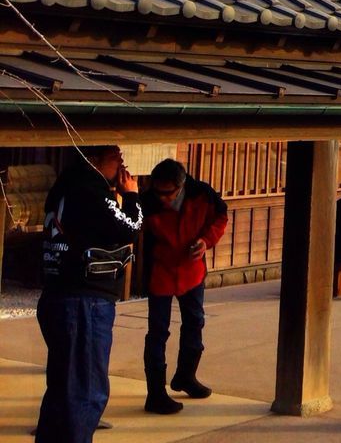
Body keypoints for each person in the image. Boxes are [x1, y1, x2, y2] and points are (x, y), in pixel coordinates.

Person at [36, 145, 143, 443]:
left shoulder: (63, 186)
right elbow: (130, 228)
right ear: (93, 160)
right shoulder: (91, 189)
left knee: (62, 389)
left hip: (58, 294)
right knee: (85, 391)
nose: (121, 161)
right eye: (114, 156)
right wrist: (132, 196)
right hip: (84, 300)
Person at [140, 158, 227, 414]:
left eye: (168, 193)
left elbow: (221, 216)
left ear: (181, 185)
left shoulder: (202, 193)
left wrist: (206, 241)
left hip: (192, 270)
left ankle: (185, 376)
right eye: (158, 192)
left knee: (195, 322)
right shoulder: (148, 201)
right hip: (160, 272)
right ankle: (155, 393)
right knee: (158, 332)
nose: (163, 198)